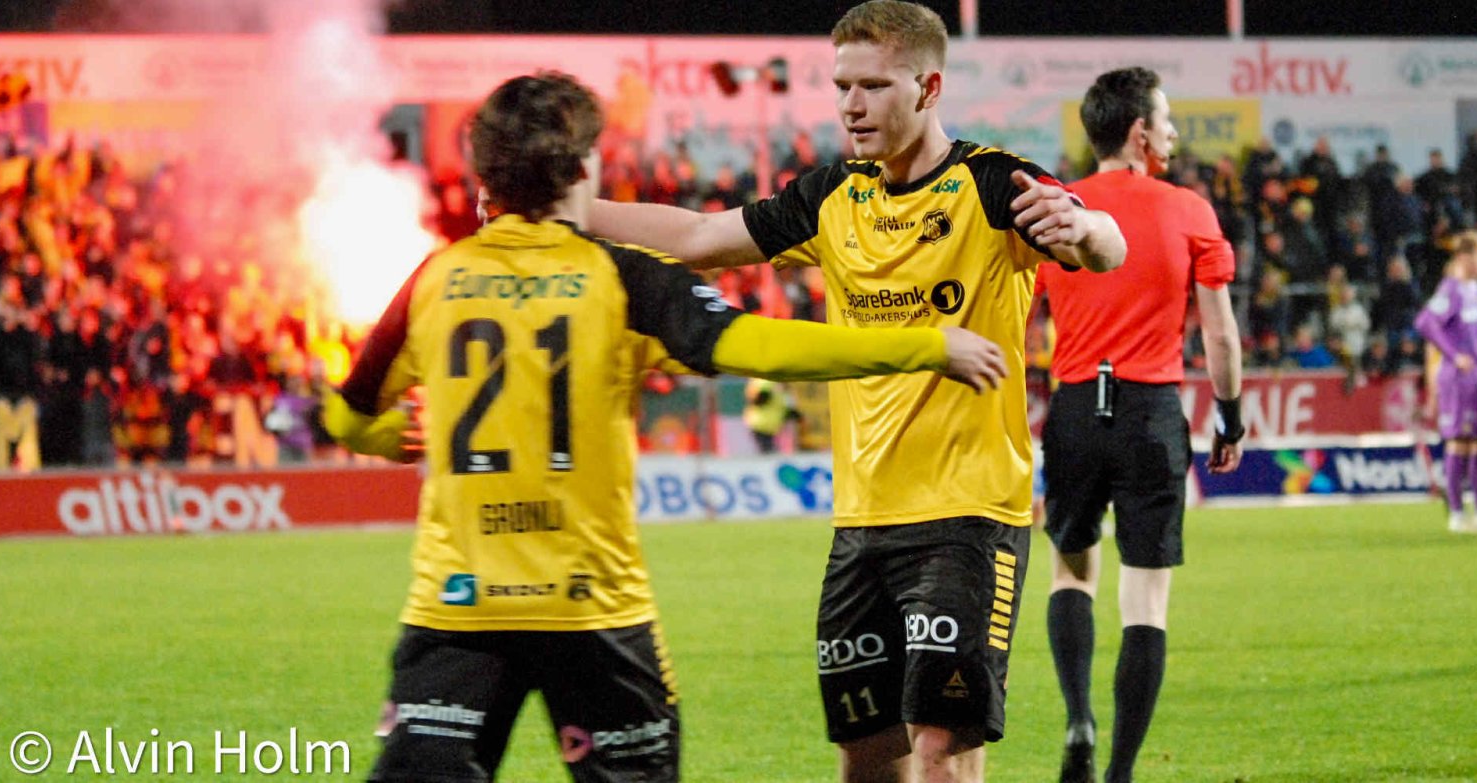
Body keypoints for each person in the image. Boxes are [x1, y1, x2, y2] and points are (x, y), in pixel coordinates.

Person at [322, 72, 1009, 783]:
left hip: (454, 609)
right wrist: (925, 345)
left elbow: (345, 414)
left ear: (483, 178)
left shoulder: (435, 279)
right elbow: (764, 346)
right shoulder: (621, 279)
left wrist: (391, 440)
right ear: (583, 169)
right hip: (592, 609)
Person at [588, 4, 1125, 780]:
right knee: (866, 753)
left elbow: (1106, 246)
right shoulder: (832, 195)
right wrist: (571, 212)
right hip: (861, 522)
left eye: (873, 86)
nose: (851, 105)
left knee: (941, 745)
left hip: (966, 514)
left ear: (929, 87)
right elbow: (700, 238)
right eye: (843, 86)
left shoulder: (992, 182)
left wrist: (1083, 226)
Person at [1032, 67, 1244, 783]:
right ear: (1138, 131)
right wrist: (1231, 416)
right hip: (1151, 410)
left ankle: (1078, 719)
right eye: (1167, 118)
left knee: (1071, 568)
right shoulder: (1188, 210)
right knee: (1146, 598)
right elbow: (1219, 333)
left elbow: (1017, 315)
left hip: (1072, 407)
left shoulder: (1055, 210)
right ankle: (1120, 772)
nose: (1174, 132)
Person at [1415, 233, 1477, 533]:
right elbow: (1424, 322)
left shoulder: (1473, 289)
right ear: (1465, 257)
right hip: (1456, 378)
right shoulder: (1451, 289)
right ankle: (1457, 516)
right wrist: (1453, 355)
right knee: (1459, 441)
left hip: (1475, 377)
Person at [743, 377, 801, 453]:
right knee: (768, 451)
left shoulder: (784, 391)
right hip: (760, 424)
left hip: (773, 428)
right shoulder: (766, 382)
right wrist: (766, 393)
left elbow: (787, 409)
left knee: (772, 451)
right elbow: (756, 400)